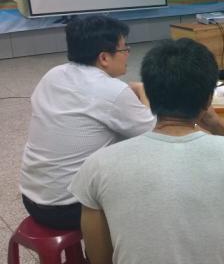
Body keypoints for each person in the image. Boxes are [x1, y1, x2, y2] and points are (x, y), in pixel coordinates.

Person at [70, 38, 224, 264]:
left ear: (149, 95)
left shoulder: (98, 165)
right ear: (208, 100)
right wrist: (220, 127)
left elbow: (99, 260)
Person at [20, 15, 155, 231]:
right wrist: (143, 91)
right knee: (152, 175)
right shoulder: (112, 91)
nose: (128, 54)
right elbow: (155, 132)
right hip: (72, 207)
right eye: (124, 48)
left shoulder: (53, 75)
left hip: (31, 199)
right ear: (104, 57)